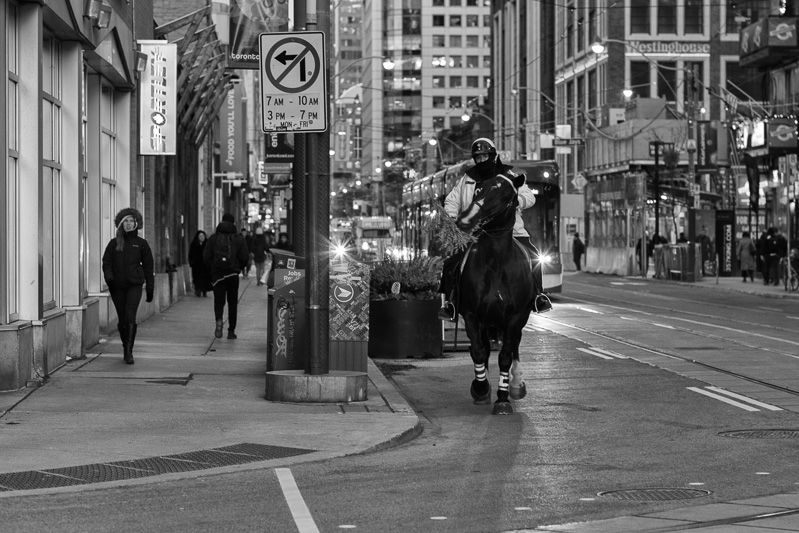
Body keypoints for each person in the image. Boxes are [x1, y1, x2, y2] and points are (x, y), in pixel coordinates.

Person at [437, 137, 551, 321]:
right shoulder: (468, 178)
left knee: (534, 257)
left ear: (493, 155)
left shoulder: (508, 176)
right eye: (478, 158)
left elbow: (529, 196)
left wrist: (517, 202)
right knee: (452, 261)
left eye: (485, 156)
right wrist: (451, 218)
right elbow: (452, 200)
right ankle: (451, 302)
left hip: (511, 232)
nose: (482, 161)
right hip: (475, 234)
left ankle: (538, 295)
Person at [102, 208, 154, 365]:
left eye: (131, 221)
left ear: (136, 223)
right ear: (121, 224)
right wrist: (110, 280)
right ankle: (126, 344)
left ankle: (128, 352)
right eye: (126, 221)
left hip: (134, 285)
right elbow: (107, 263)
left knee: (130, 315)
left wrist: (150, 288)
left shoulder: (141, 244)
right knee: (122, 319)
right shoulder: (113, 243)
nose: (129, 224)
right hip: (117, 286)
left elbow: (148, 267)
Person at [204, 213, 250, 339]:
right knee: (232, 302)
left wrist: (213, 271)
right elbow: (245, 257)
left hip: (218, 275)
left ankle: (219, 320)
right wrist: (238, 269)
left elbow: (206, 257)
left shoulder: (213, 238)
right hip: (232, 274)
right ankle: (231, 330)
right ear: (233, 223)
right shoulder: (239, 239)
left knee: (219, 301)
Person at [188, 230, 212, 297]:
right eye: (200, 236)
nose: (202, 237)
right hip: (197, 265)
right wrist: (192, 262)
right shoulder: (194, 245)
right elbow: (191, 255)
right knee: (197, 278)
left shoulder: (207, 244)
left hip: (205, 265)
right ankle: (198, 290)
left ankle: (204, 291)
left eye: (203, 236)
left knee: (205, 278)